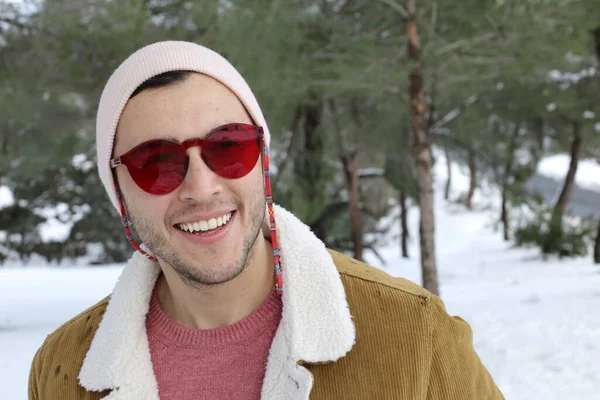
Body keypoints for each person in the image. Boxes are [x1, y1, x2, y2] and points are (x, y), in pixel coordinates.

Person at [28, 41, 504, 400]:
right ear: (120, 196)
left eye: (228, 147)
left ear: (262, 160)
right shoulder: (64, 370)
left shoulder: (415, 338)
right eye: (156, 162)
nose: (201, 187)